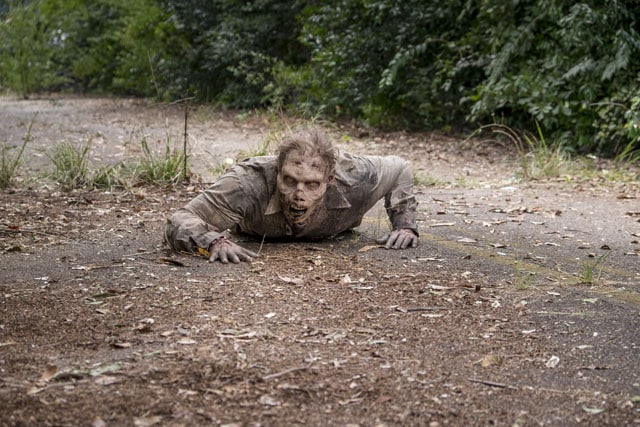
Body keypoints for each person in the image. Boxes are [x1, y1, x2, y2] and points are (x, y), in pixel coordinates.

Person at [164, 128, 419, 263]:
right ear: (276, 171)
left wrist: (405, 225)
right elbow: (180, 219)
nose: (299, 194)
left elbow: (400, 168)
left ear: (330, 179)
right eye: (289, 181)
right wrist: (213, 242)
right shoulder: (246, 183)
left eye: (312, 184)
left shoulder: (356, 178)